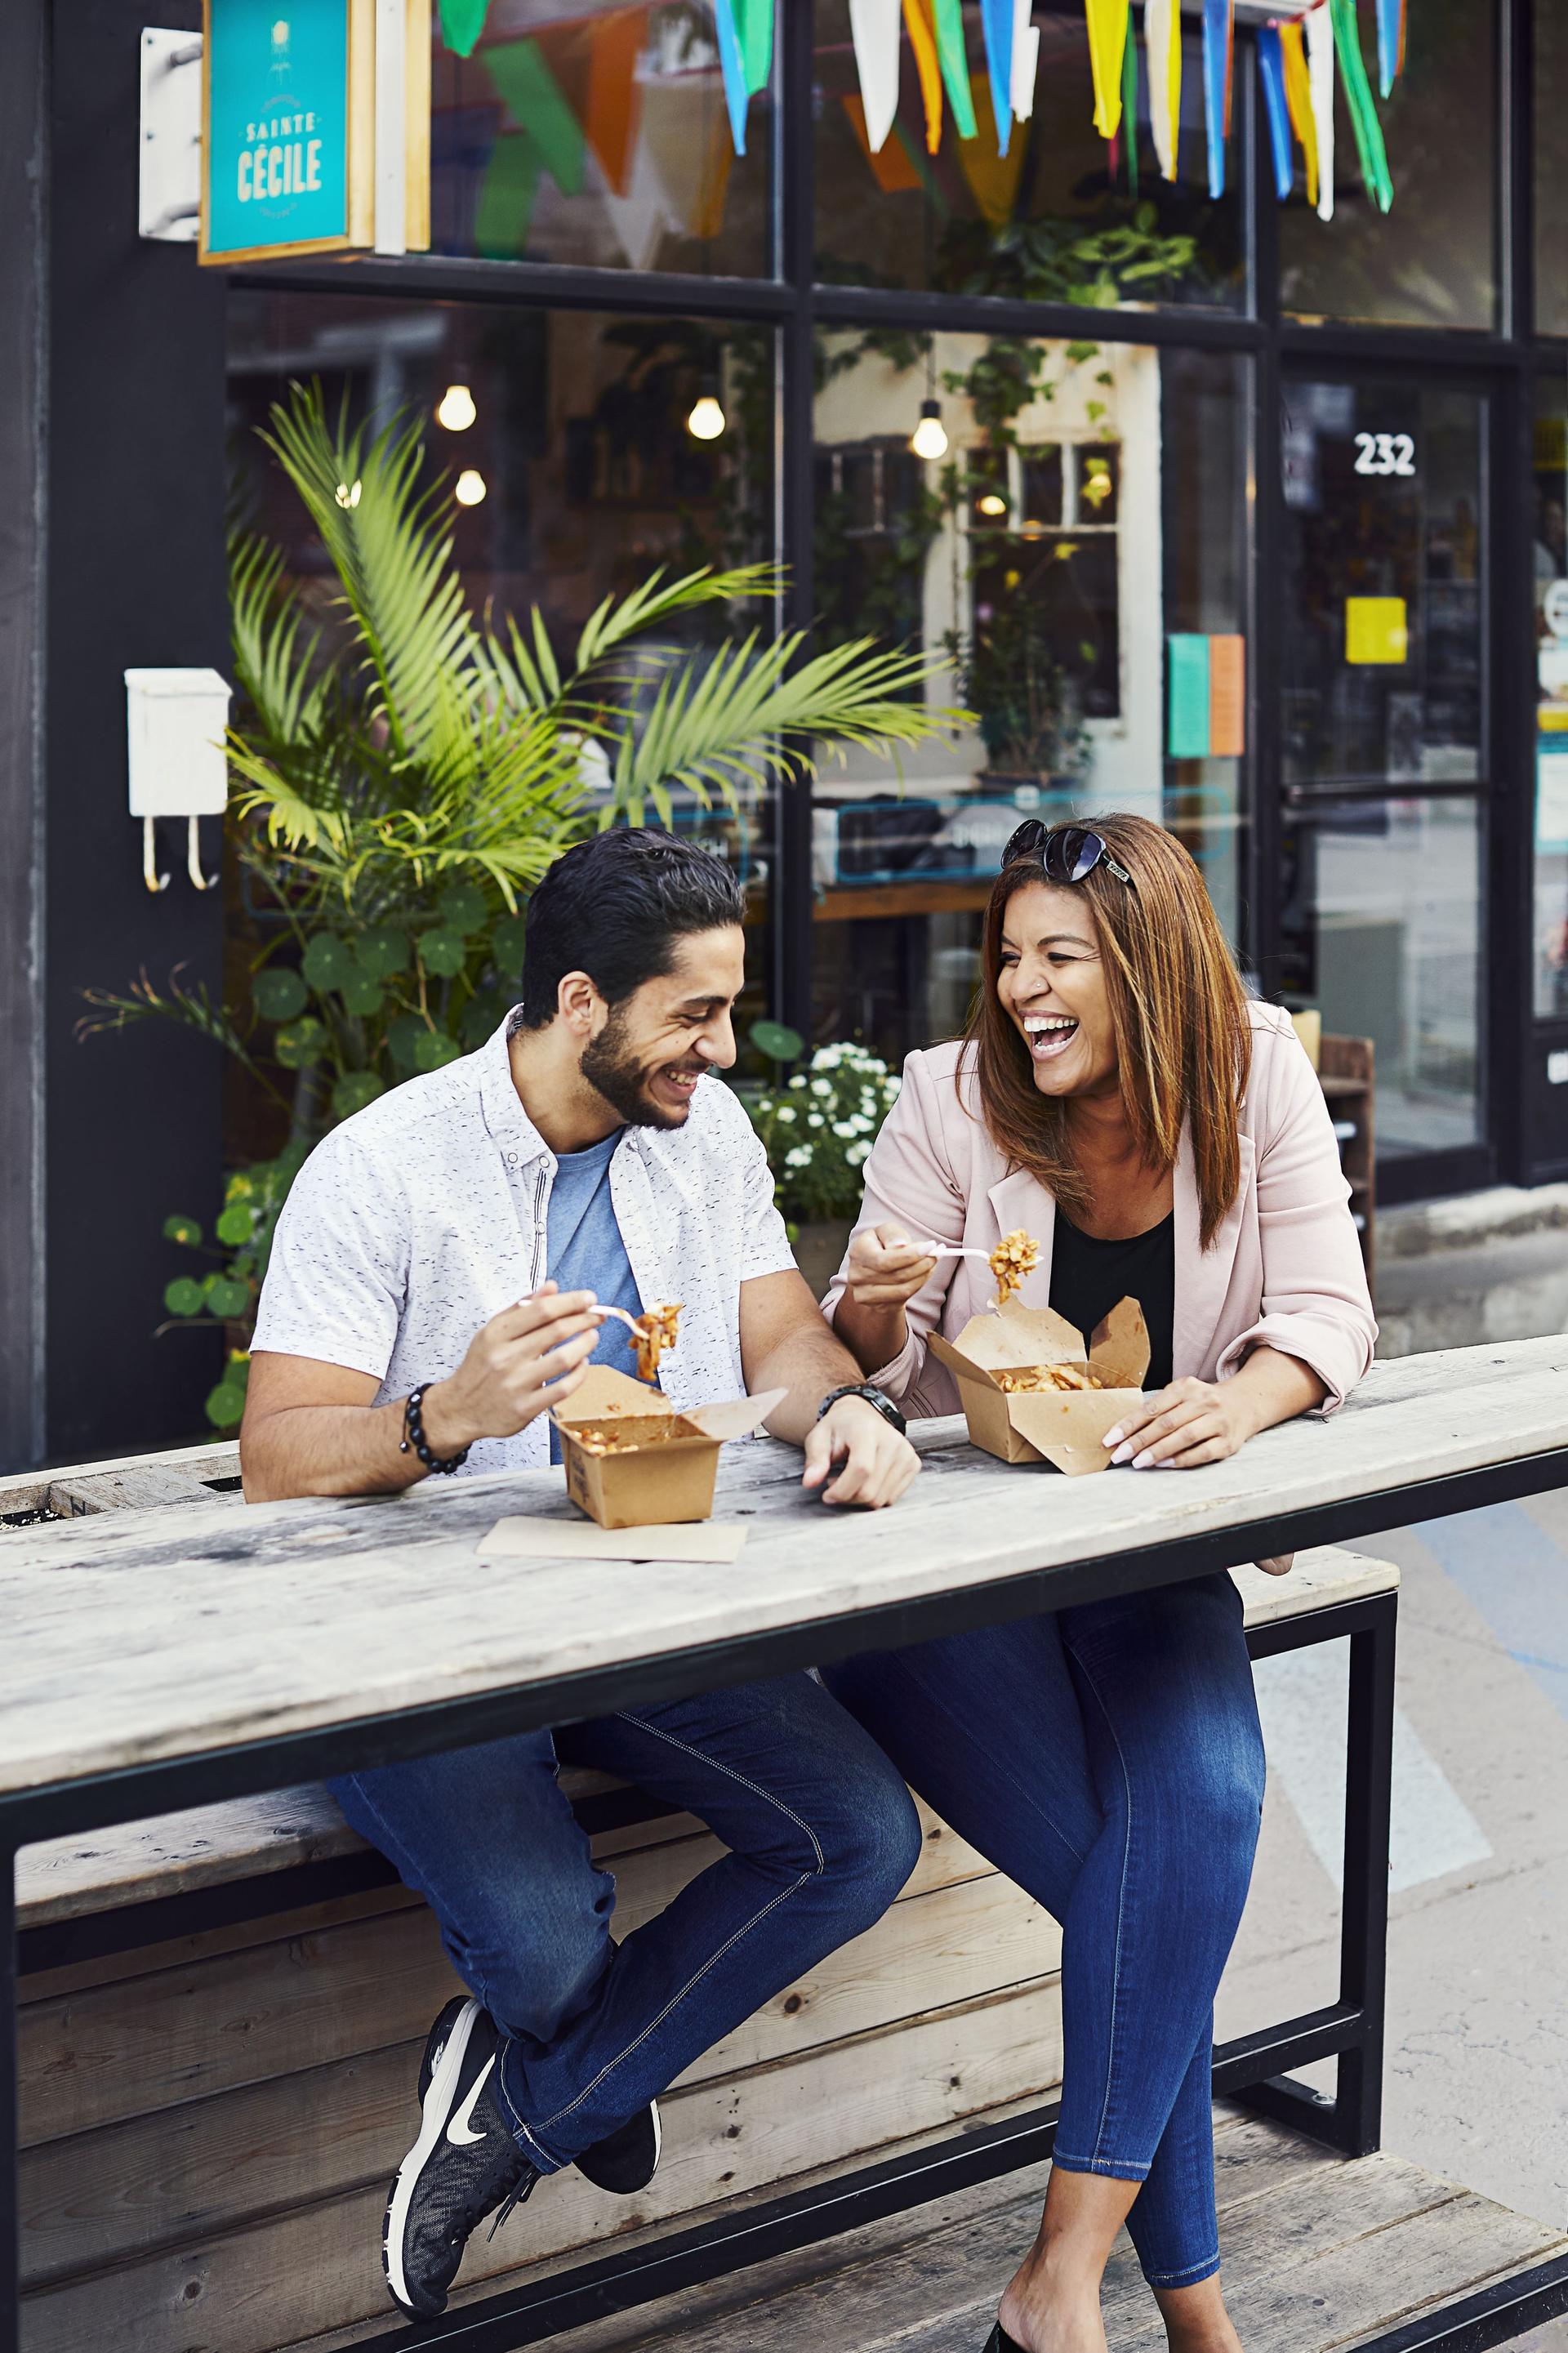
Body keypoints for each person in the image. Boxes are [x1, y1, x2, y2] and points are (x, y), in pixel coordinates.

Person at [241, 827, 924, 2321]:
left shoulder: (705, 1138)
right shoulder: (383, 1168)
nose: (723, 1050)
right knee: (546, 1936)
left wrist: (852, 1408)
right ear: (577, 1002)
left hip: (648, 1602)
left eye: (729, 1011)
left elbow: (784, 1342)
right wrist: (447, 1417)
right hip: (412, 1644)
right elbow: (275, 1457)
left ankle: (520, 2109)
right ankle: (586, 2068)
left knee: (858, 1832)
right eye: (693, 1015)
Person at [823, 813, 1376, 2353]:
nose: (1019, 991)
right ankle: (1194, 2315)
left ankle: (1060, 2292)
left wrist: (1247, 1400)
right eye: (1008, 957)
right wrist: (866, 1319)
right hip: (944, 1599)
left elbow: (1333, 1313)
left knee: (1190, 1822)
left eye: (1059, 957)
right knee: (1158, 1911)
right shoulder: (949, 1099)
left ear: (1146, 963)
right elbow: (869, 1360)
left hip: (1148, 1559)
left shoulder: (1254, 1076)